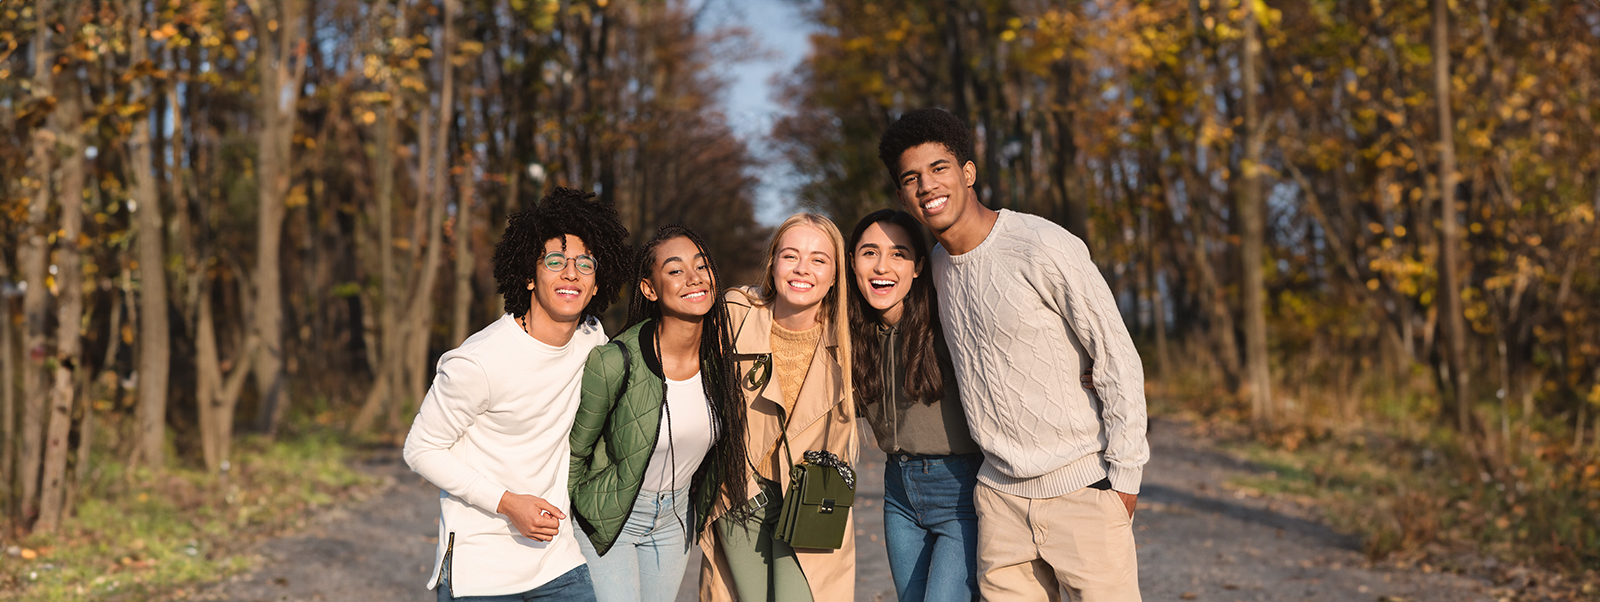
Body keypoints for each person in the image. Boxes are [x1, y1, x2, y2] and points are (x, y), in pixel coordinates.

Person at [879, 108, 1149, 602]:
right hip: (999, 502)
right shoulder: (935, 268)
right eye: (911, 178)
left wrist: (1123, 478)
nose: (926, 186)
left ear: (968, 172)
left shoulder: (1042, 246)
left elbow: (1117, 358)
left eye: (939, 168)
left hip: (1082, 490)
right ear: (902, 196)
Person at [402, 187, 632, 601]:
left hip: (558, 560)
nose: (571, 273)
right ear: (529, 275)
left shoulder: (592, 339)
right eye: (556, 261)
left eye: (585, 264)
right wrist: (508, 503)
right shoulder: (479, 362)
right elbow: (420, 449)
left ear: (597, 284)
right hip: (481, 570)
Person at [567, 225, 750, 602]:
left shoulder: (720, 366)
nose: (694, 278)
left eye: (701, 266)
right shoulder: (615, 361)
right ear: (650, 288)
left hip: (675, 520)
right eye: (675, 270)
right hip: (612, 519)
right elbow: (575, 453)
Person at [698, 213, 857, 602]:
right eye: (791, 256)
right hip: (740, 494)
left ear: (836, 275)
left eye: (819, 259)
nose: (803, 268)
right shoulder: (736, 312)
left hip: (812, 500)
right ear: (772, 264)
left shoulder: (852, 337)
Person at [846, 209, 982, 602]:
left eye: (898, 253)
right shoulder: (853, 337)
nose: (882, 266)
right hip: (898, 494)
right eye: (869, 252)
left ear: (919, 266)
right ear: (852, 263)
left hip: (960, 491)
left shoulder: (947, 324)